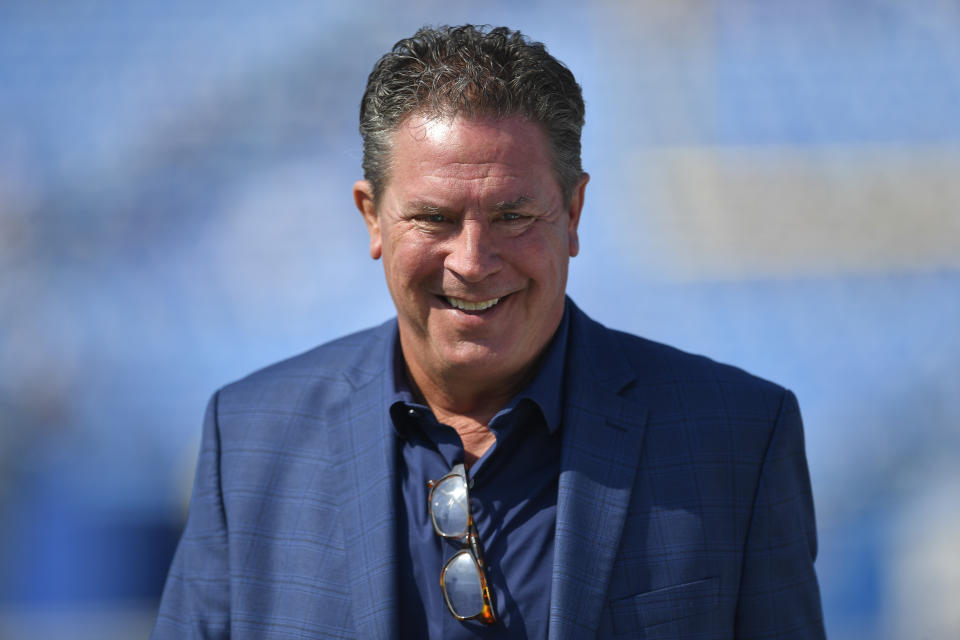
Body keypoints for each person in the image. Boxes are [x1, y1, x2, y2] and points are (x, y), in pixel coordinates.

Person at [152, 24, 825, 639]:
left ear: (574, 213)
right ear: (372, 218)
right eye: (434, 218)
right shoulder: (248, 440)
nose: (472, 261)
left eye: (513, 216)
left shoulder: (737, 438)